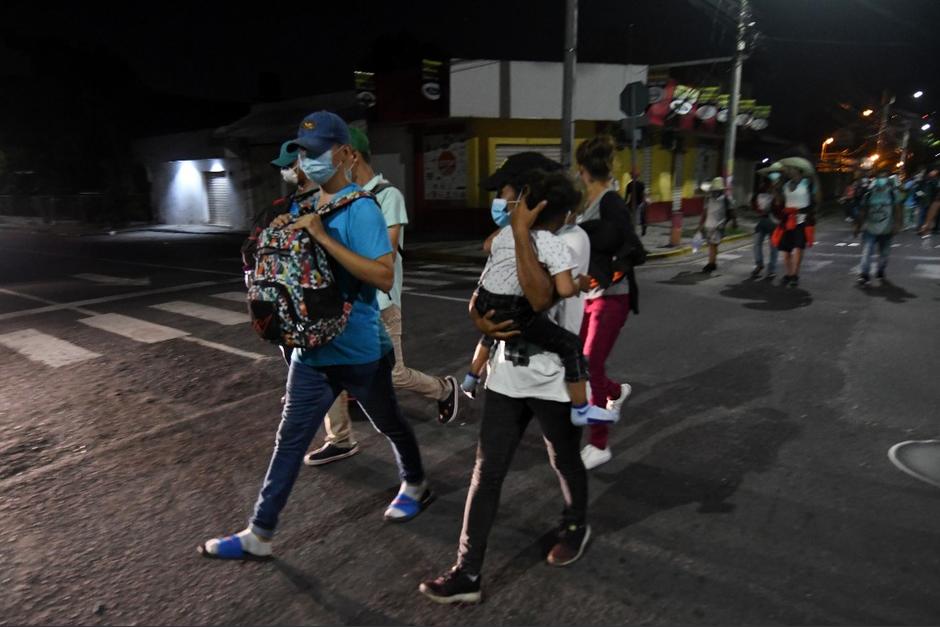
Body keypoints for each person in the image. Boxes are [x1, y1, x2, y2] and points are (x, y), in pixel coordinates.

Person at [199, 111, 434, 561]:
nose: (307, 159)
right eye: (303, 151)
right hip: (309, 352)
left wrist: (323, 237)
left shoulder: (362, 208)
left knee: (389, 423)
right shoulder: (299, 208)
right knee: (289, 440)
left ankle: (416, 483)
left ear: (344, 153)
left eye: (317, 150)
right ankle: (260, 532)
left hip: (359, 349)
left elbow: (383, 277)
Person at [419, 170, 592, 604]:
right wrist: (478, 318)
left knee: (564, 458)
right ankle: (467, 570)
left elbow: (537, 300)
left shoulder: (568, 242)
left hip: (552, 379)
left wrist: (518, 233)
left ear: (533, 204)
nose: (502, 205)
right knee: (487, 471)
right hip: (506, 376)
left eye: (510, 198)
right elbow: (486, 294)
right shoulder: (511, 236)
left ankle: (575, 523)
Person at [304, 127, 460, 466]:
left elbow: (382, 257)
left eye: (333, 156)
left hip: (380, 305)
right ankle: (340, 439)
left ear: (351, 156)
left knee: (393, 374)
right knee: (326, 369)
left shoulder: (387, 196)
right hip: (343, 306)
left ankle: (444, 389)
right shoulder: (341, 196)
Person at [463, 170, 616, 427]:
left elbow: (489, 250)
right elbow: (559, 293)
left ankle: (471, 377)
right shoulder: (550, 242)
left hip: (487, 302)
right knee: (571, 347)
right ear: (566, 213)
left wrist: (516, 225)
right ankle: (581, 409)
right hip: (515, 317)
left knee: (494, 334)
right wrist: (580, 282)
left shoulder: (504, 235)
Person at [575, 135, 635, 470]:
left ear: (581, 169)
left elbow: (632, 249)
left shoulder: (611, 202)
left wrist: (606, 276)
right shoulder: (586, 202)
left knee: (589, 363)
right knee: (581, 362)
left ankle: (599, 443)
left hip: (612, 298)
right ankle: (613, 392)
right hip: (588, 296)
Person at [772, 162, 819, 288]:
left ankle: (795, 275)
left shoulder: (807, 183)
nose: (787, 171)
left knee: (798, 248)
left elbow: (816, 200)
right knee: (785, 251)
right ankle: (789, 273)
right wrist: (776, 190)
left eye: (789, 168)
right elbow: (779, 202)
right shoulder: (786, 185)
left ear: (797, 170)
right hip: (788, 221)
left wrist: (808, 211)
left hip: (802, 221)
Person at [855, 170, 901, 286]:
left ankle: (880, 270)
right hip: (870, 228)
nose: (882, 180)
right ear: (875, 179)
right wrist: (858, 226)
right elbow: (863, 210)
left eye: (884, 177)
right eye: (880, 177)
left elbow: (897, 209)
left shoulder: (892, 193)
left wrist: (897, 224)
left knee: (884, 253)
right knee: (866, 252)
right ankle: (864, 275)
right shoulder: (869, 193)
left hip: (887, 229)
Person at [751, 166, 783, 279]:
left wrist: (776, 194)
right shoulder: (762, 188)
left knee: (774, 247)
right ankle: (759, 264)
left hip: (775, 222)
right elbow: (754, 201)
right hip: (763, 220)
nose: (774, 182)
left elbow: (780, 206)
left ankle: (772, 270)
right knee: (756, 244)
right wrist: (758, 210)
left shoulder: (781, 191)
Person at [697, 176, 734, 274]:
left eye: (717, 190)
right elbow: (705, 212)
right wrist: (701, 224)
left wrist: (727, 222)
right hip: (709, 225)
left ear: (721, 190)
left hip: (718, 226)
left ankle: (710, 264)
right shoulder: (708, 199)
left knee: (713, 244)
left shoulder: (726, 199)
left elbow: (731, 212)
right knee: (712, 245)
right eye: (714, 190)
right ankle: (713, 262)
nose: (715, 192)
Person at [625, 170, 648, 235]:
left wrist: (625, 203)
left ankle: (635, 229)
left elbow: (626, 196)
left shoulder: (629, 185)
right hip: (640, 202)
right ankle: (643, 228)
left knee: (632, 217)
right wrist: (645, 201)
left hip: (633, 203)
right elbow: (644, 194)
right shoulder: (641, 184)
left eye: (631, 175)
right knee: (641, 217)